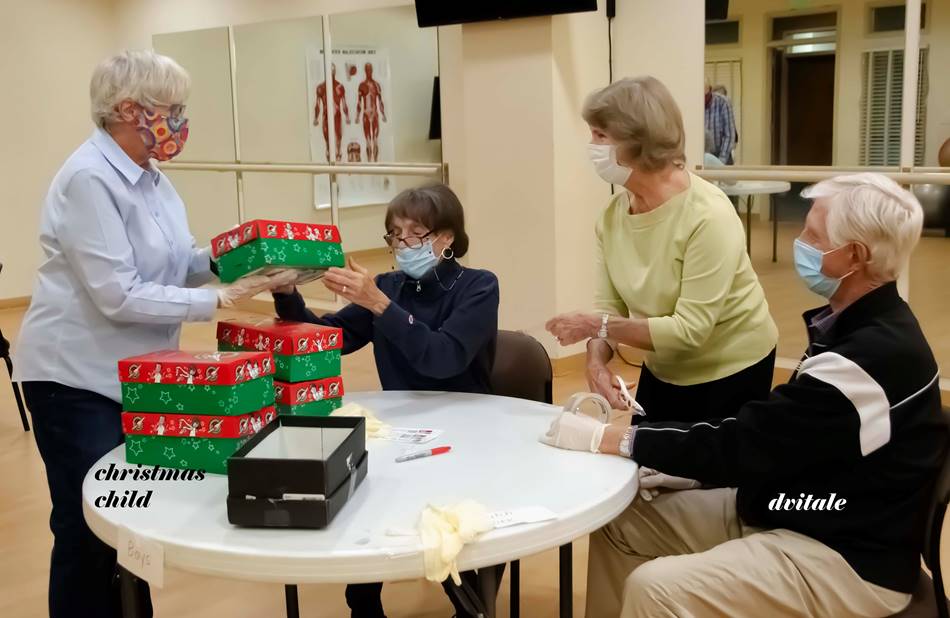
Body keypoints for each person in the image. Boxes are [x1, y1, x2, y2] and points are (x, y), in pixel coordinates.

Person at [541, 173, 945, 618]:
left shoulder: (869, 359)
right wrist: (680, 468)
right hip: (801, 508)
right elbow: (784, 442)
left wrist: (610, 439)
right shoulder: (861, 327)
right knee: (620, 517)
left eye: (813, 234)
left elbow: (746, 442)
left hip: (845, 555)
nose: (801, 242)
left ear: (855, 256)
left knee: (656, 589)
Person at [14, 50, 293, 618]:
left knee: (131, 517)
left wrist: (233, 260)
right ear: (126, 110)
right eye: (173, 109)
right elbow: (116, 292)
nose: (181, 121)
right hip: (74, 377)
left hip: (133, 371)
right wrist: (217, 299)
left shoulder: (151, 178)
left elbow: (174, 261)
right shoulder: (90, 179)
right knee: (87, 522)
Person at [271, 183, 499, 618]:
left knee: (457, 516)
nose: (402, 244)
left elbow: (443, 359)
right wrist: (286, 291)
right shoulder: (389, 286)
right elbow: (326, 340)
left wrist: (378, 303)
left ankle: (469, 605)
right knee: (359, 486)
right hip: (402, 427)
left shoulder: (478, 286)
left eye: (415, 233)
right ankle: (363, 604)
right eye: (395, 234)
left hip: (469, 427)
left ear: (446, 237)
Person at [546, 76, 778, 424]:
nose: (590, 146)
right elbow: (609, 310)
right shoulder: (612, 216)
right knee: (644, 463)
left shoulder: (707, 214)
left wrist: (596, 325)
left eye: (600, 135)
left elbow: (690, 331)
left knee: (707, 475)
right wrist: (595, 362)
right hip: (664, 363)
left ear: (638, 142)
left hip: (731, 366)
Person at [704, 78, 737, 164]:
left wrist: (720, 162)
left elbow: (729, 135)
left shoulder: (723, 102)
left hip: (723, 155)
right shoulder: (695, 103)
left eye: (705, 96)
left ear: (710, 90)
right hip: (703, 157)